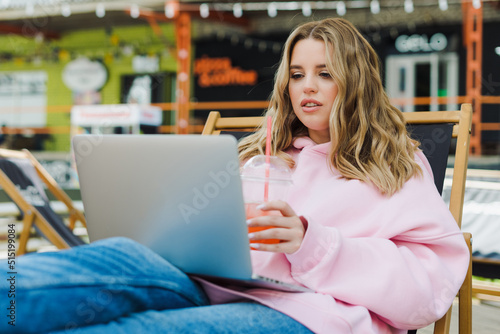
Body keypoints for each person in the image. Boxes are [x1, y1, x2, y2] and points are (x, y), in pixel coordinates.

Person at [2, 18, 469, 334]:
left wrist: (311, 241)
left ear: (356, 81)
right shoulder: (261, 156)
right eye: (297, 73)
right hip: (209, 280)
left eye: (325, 74)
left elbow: (426, 292)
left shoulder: (395, 164)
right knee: (89, 266)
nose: (306, 86)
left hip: (313, 311)